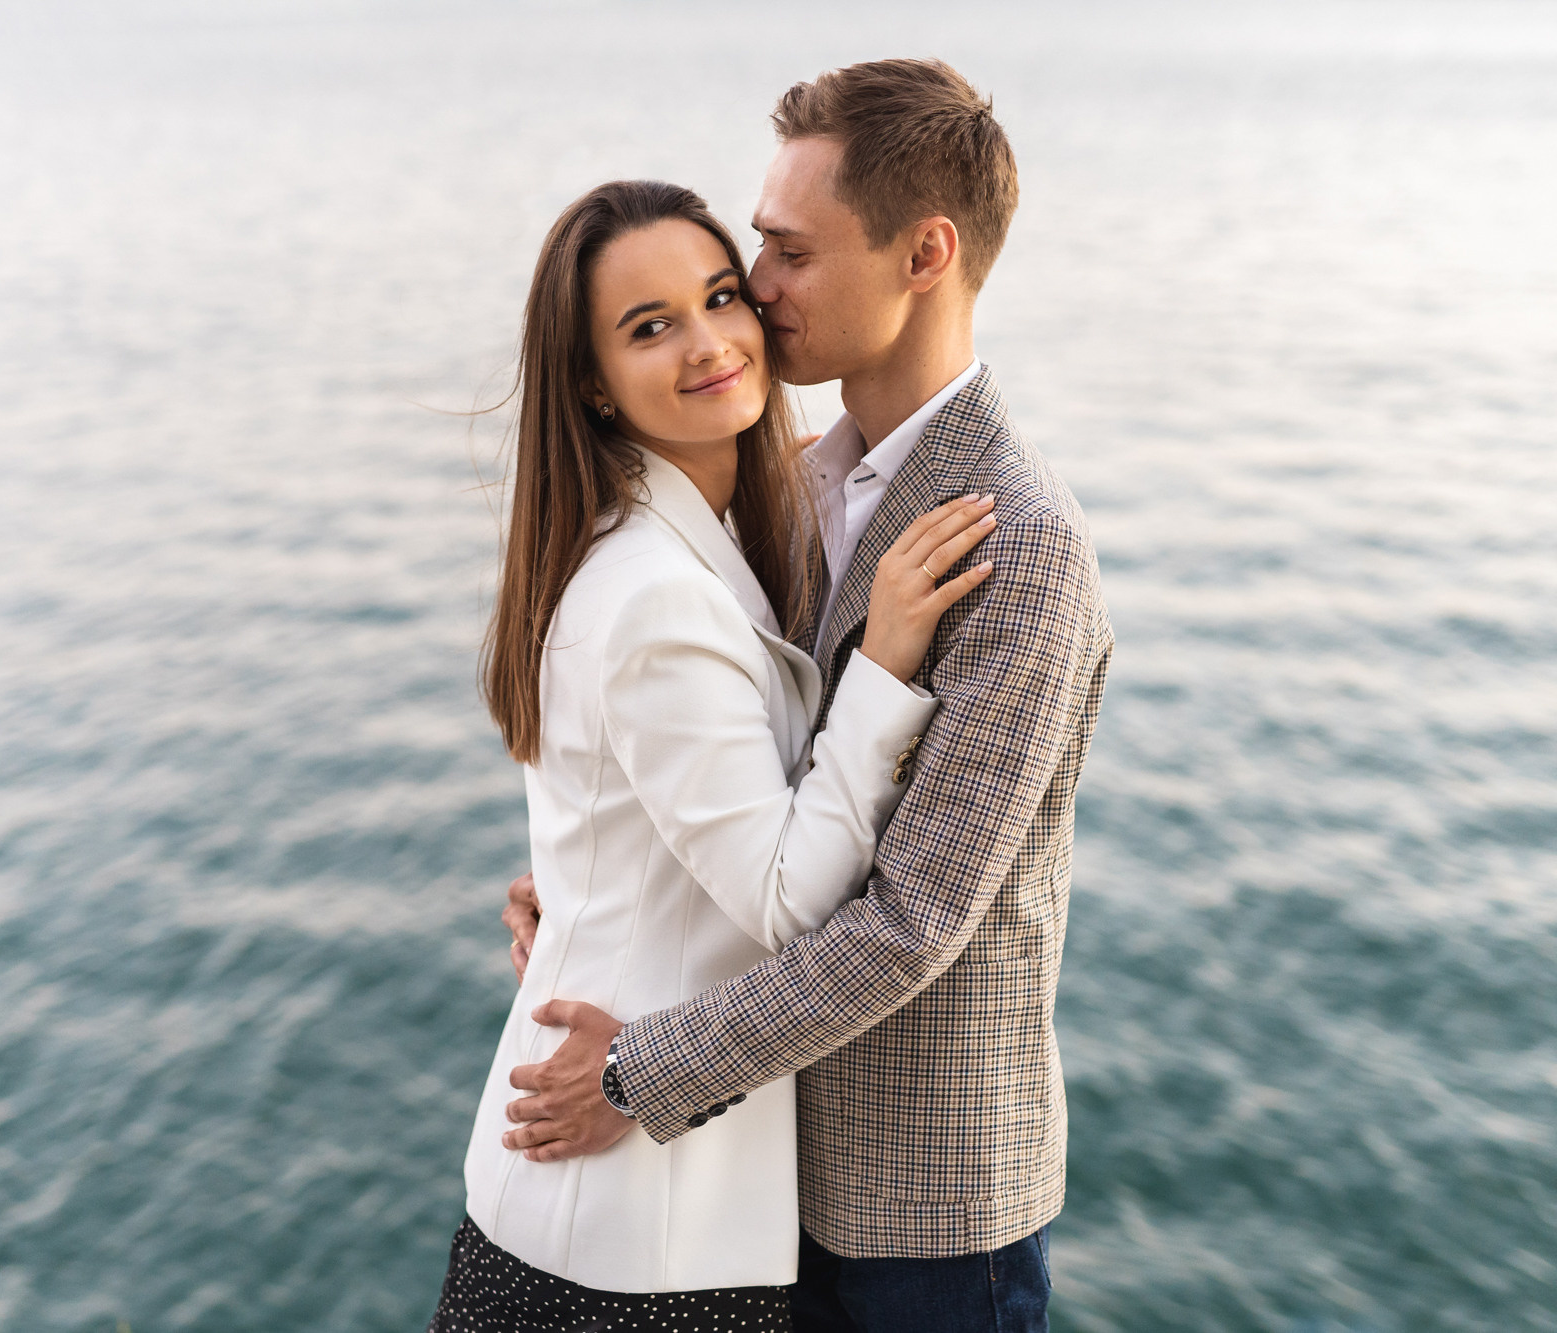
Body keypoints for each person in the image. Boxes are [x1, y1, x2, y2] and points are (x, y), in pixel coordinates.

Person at [498, 59, 1114, 1333]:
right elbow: (739, 766)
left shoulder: (1020, 542)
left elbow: (911, 922)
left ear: (923, 254)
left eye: (784, 252)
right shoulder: (793, 486)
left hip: (928, 1212)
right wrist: (595, 878)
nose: (756, 291)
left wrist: (633, 1072)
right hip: (771, 1174)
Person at [428, 179, 997, 1332]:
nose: (707, 343)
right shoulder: (654, 595)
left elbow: (636, 806)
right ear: (591, 381)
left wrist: (581, 888)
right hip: (636, 1239)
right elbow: (786, 897)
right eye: (650, 327)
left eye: (719, 296)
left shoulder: (669, 535)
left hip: (613, 1208)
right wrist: (882, 668)